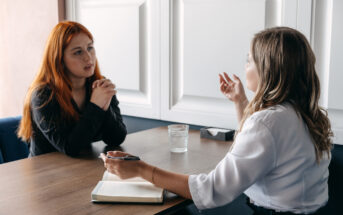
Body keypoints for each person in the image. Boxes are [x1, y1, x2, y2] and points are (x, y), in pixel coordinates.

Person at [100, 27, 333, 215]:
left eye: (249, 60)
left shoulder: (269, 122)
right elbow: (263, 149)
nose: (245, 66)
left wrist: (140, 168)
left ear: (268, 69)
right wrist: (240, 102)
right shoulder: (306, 114)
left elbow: (213, 190)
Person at [17, 21, 127, 157]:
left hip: (80, 168)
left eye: (90, 48)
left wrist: (105, 106)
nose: (88, 57)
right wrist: (96, 106)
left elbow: (116, 139)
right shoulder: (43, 95)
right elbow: (70, 147)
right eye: (78, 52)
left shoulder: (99, 85)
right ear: (60, 60)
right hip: (45, 173)